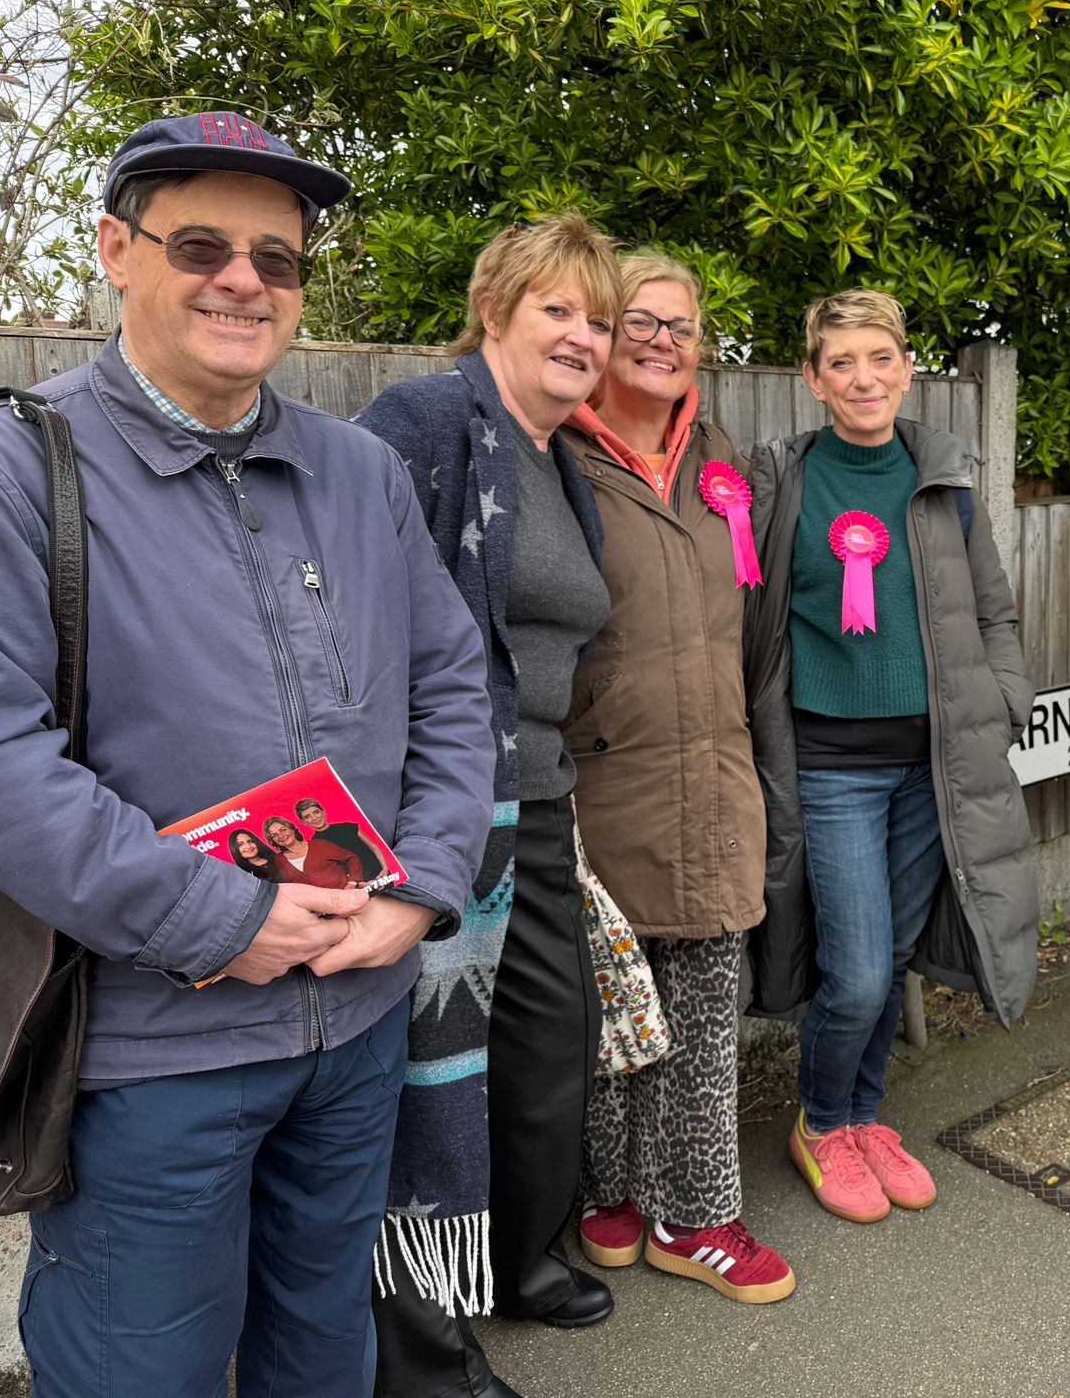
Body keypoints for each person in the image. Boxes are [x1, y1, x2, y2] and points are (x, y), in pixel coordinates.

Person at [0, 112, 494, 1395]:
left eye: (276, 259)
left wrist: (421, 887)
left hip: (355, 1024)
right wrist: (222, 918)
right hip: (150, 1053)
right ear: (118, 252)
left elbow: (454, 683)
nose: (244, 280)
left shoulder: (359, 473)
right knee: (139, 1372)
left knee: (322, 1351)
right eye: (201, 246)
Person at [355, 213, 622, 1398]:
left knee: (547, 1058)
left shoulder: (569, 462)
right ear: (494, 312)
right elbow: (346, 614)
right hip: (442, 807)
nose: (581, 335)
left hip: (543, 803)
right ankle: (423, 1358)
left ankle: (515, 1258)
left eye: (598, 320)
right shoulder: (424, 426)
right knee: (437, 1083)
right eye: (556, 309)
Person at [746, 290, 1037, 1225]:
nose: (863, 377)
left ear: (907, 367)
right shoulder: (778, 480)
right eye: (841, 362)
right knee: (860, 970)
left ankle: (865, 1117)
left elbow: (992, 610)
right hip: (829, 766)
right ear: (812, 378)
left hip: (935, 767)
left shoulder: (943, 478)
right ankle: (822, 1121)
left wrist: (1004, 705)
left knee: (898, 954)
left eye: (879, 357)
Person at [559, 251, 796, 1305]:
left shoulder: (721, 458)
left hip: (713, 771)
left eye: (680, 326)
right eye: (638, 323)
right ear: (603, 334)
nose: (660, 342)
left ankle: (694, 1217)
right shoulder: (556, 455)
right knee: (606, 1011)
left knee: (702, 1011)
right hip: (599, 779)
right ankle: (610, 1194)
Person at [264, 814, 366, 889]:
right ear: (272, 840)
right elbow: (288, 888)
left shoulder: (319, 844)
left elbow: (352, 858)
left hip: (347, 897)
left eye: (283, 830)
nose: (281, 836)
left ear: (292, 829)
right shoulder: (278, 861)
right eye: (274, 835)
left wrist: (352, 882)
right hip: (322, 912)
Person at [297, 796, 386, 881]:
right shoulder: (313, 845)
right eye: (307, 817)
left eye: (316, 812)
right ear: (303, 822)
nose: (314, 818)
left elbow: (373, 846)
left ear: (323, 812)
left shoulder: (348, 827)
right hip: (358, 884)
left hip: (381, 873)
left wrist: (385, 868)